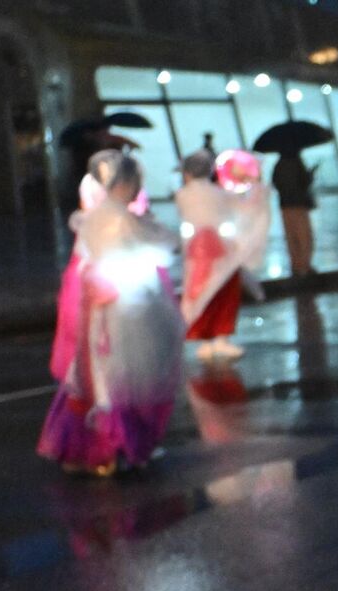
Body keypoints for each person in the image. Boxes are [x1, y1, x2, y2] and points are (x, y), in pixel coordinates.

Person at [36, 151, 184, 476]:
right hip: (125, 311)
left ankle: (94, 449)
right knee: (123, 378)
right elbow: (160, 249)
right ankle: (115, 447)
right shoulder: (121, 219)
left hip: (102, 311)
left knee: (98, 374)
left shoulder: (96, 217)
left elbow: (84, 261)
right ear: (125, 183)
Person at [179, 149, 269, 360]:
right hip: (221, 251)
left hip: (196, 254)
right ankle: (220, 337)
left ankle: (206, 338)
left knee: (200, 294)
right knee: (224, 294)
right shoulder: (217, 194)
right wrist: (253, 184)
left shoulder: (183, 195)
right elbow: (244, 208)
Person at [273, 148, 316, 275]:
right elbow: (304, 182)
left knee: (291, 236)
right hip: (299, 204)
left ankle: (295, 265)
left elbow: (275, 182)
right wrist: (310, 174)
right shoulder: (297, 163)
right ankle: (305, 266)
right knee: (304, 236)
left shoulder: (278, 165)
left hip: (285, 204)